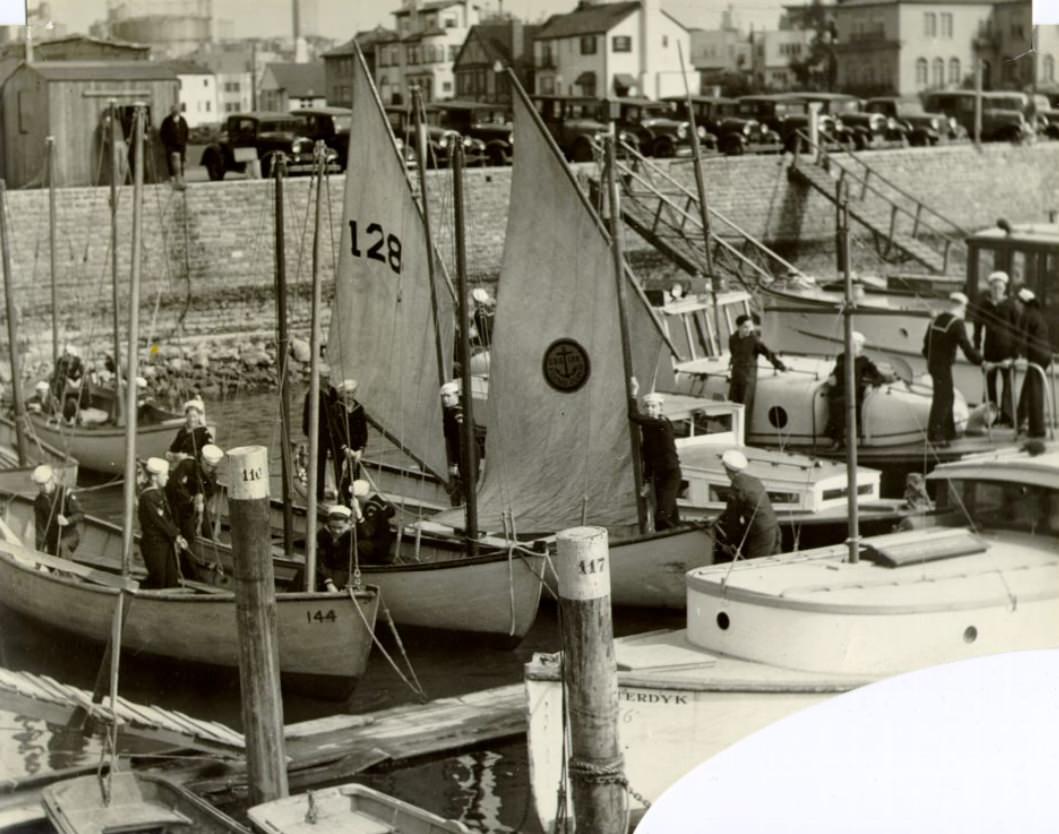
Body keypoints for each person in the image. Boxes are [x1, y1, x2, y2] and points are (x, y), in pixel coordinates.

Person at [923, 292, 982, 446]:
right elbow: (966, 348)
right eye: (964, 308)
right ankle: (935, 436)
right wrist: (980, 361)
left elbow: (925, 345)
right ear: (962, 306)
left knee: (947, 395)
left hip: (933, 364)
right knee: (943, 398)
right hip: (943, 365)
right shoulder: (957, 323)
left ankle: (948, 432)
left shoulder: (936, 319)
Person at [628, 381, 682, 531]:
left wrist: (633, 393)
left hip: (671, 474)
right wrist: (646, 481)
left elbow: (633, 415)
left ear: (660, 409)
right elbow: (648, 456)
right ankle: (675, 538)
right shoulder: (648, 427)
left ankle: (670, 540)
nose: (650, 410)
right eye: (647, 407)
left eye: (653, 406)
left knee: (662, 516)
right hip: (659, 476)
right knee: (669, 514)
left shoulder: (661, 424)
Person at [825, 331, 892, 449]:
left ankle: (838, 440)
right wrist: (832, 377)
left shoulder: (863, 361)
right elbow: (836, 372)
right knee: (834, 399)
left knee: (839, 403)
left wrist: (874, 384)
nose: (860, 348)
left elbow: (876, 375)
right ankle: (837, 438)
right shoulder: (841, 357)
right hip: (838, 390)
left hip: (852, 392)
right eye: (859, 345)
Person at [713, 449, 781, 562]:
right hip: (774, 527)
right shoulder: (754, 480)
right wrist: (721, 517)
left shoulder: (736, 489)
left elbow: (733, 521)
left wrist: (728, 543)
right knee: (773, 564)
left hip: (761, 534)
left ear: (727, 470)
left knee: (754, 567)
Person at [728, 313, 786, 442]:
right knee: (733, 406)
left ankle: (742, 439)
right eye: (745, 327)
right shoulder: (732, 339)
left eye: (750, 326)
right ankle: (732, 436)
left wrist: (779, 365)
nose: (749, 329)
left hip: (748, 378)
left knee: (744, 408)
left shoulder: (754, 340)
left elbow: (768, 353)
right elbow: (733, 355)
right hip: (736, 376)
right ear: (738, 327)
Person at [973, 271, 1018, 426]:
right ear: (990, 288)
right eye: (994, 288)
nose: (997, 291)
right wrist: (976, 348)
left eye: (1000, 288)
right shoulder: (984, 305)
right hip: (990, 350)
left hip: (1007, 350)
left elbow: (1018, 330)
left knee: (1008, 385)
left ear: (1005, 288)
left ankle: (1008, 417)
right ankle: (989, 418)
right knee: (989, 384)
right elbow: (977, 328)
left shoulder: (1012, 305)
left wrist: (1014, 355)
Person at [138, 457, 188, 588]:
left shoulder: (158, 495)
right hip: (154, 545)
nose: (167, 477)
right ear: (154, 478)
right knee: (159, 580)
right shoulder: (148, 497)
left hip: (165, 543)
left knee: (171, 579)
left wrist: (177, 535)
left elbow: (167, 519)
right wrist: (176, 536)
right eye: (165, 475)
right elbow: (160, 521)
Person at [166, 444, 224, 548]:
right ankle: (189, 554)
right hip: (179, 506)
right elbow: (174, 484)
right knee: (189, 533)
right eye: (208, 465)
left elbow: (210, 493)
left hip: (197, 507)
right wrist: (191, 498)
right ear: (202, 459)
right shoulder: (187, 466)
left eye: (213, 467)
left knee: (207, 529)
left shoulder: (212, 476)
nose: (210, 469)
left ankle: (211, 545)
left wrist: (201, 499)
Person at [1014, 287, 1051, 439]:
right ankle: (1022, 421)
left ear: (1022, 303)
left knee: (1035, 392)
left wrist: (1015, 355)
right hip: (1044, 355)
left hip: (1036, 356)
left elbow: (1021, 338)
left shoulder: (1026, 315)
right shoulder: (1037, 314)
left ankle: (1037, 430)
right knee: (1030, 388)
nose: (1016, 304)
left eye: (1017, 301)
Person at [441, 380, 482, 505]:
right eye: (443, 397)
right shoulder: (450, 413)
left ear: (456, 395)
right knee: (462, 486)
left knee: (467, 487)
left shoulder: (459, 414)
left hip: (468, 452)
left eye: (448, 396)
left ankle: (466, 509)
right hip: (463, 451)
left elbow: (461, 440)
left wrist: (454, 464)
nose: (445, 399)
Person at [301, 366, 338, 501]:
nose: (327, 380)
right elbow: (306, 417)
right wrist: (309, 434)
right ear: (319, 378)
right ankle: (318, 495)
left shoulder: (333, 392)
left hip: (334, 435)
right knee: (319, 465)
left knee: (339, 462)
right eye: (325, 377)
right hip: (319, 435)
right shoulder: (312, 394)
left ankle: (342, 493)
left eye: (329, 377)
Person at [31, 465, 83, 558]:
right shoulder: (39, 502)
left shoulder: (64, 492)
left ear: (51, 479)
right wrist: (38, 552)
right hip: (52, 539)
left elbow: (80, 514)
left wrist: (67, 521)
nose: (44, 487)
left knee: (62, 546)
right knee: (52, 556)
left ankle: (63, 571)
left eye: (46, 483)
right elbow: (40, 529)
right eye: (41, 485)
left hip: (70, 535)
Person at [331, 379, 368, 505]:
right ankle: (342, 502)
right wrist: (344, 448)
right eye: (347, 393)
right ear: (341, 393)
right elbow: (335, 431)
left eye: (352, 392)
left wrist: (361, 449)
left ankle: (354, 503)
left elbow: (364, 431)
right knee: (342, 476)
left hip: (356, 450)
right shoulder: (336, 408)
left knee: (355, 476)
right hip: (342, 450)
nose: (350, 396)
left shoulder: (359, 408)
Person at [350, 479, 396, 564]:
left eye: (355, 497)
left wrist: (358, 513)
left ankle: (361, 566)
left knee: (354, 546)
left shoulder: (371, 508)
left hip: (377, 546)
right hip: (383, 542)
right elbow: (391, 511)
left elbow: (368, 532)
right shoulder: (378, 501)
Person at [316, 503, 356, 592]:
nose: (336, 531)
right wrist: (328, 581)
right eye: (333, 527)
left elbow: (367, 532)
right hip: (326, 569)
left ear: (347, 524)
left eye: (340, 528)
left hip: (344, 571)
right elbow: (321, 559)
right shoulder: (322, 534)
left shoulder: (353, 536)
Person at [51, 344, 85, 423]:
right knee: (59, 387)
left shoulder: (78, 361)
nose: (69, 357)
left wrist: (78, 380)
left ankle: (77, 417)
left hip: (73, 385)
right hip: (63, 385)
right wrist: (67, 380)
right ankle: (60, 414)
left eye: (70, 355)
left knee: (73, 401)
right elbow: (59, 374)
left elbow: (82, 373)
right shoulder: (61, 361)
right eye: (67, 354)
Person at [159, 104, 189, 187]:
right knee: (170, 161)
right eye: (174, 110)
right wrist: (166, 143)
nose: (176, 112)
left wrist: (184, 141)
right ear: (172, 111)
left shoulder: (182, 120)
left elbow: (186, 131)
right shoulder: (167, 121)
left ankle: (181, 178)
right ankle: (172, 178)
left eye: (177, 110)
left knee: (181, 161)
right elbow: (162, 133)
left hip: (181, 145)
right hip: (170, 145)